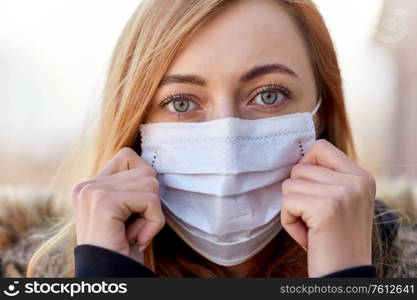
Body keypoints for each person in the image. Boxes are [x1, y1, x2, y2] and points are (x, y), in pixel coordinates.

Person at [25, 0, 402, 278]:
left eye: (269, 95)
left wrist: (347, 275)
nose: (228, 147)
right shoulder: (26, 272)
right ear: (135, 121)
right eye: (181, 102)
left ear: (322, 113)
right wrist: (108, 277)